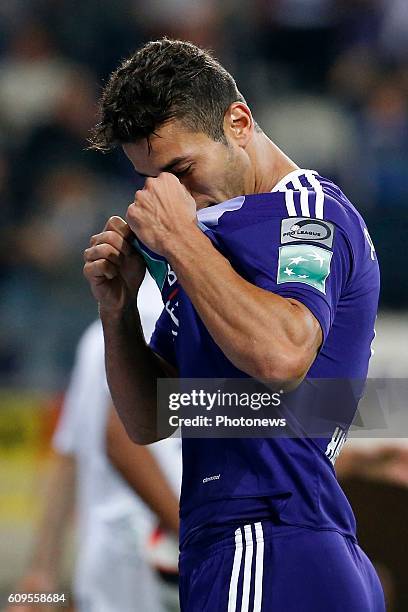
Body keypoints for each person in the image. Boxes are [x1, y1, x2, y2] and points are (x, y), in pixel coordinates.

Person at [83, 39, 384, 611]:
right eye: (152, 182)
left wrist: (179, 242)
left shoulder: (307, 213)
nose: (174, 198)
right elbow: (150, 419)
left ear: (238, 122)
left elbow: (282, 356)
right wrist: (118, 308)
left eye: (181, 171)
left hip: (267, 537)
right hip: (246, 540)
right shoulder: (212, 243)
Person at [12, 274, 181, 612]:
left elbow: (68, 456)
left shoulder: (97, 334)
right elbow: (119, 436)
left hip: (115, 564)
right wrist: (192, 531)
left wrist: (41, 570)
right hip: (149, 564)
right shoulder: (160, 313)